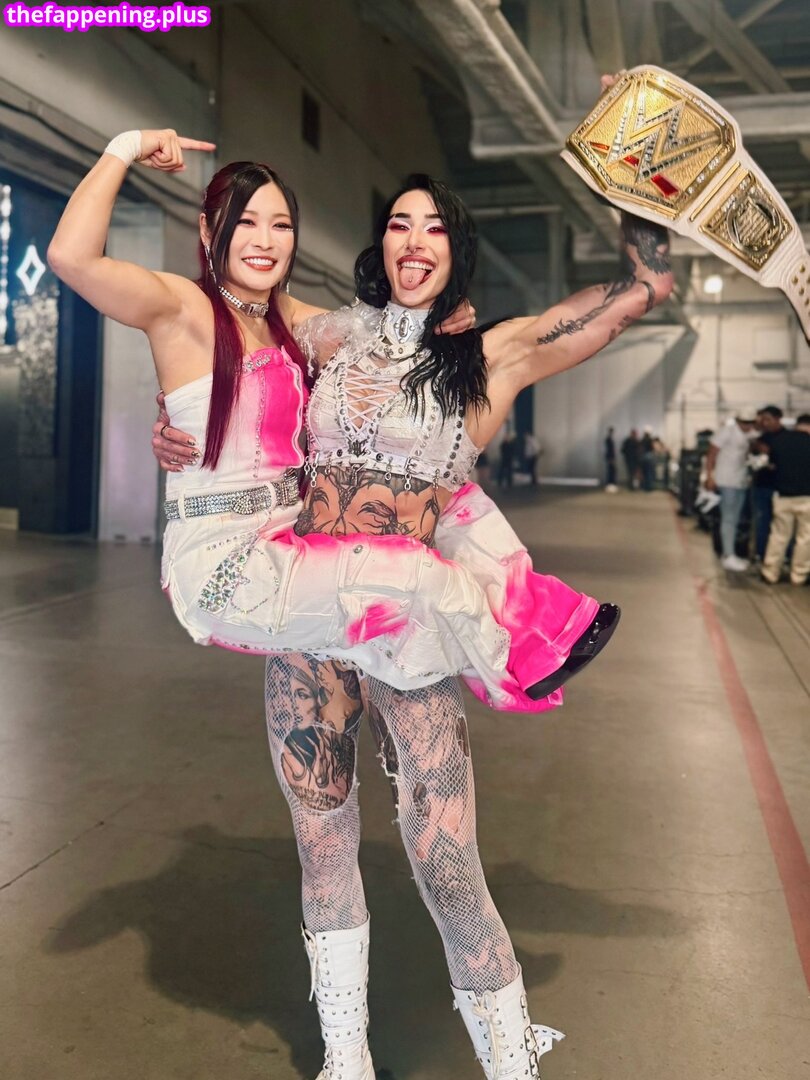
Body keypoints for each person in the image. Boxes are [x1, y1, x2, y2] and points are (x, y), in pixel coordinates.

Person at [54, 128, 672, 1079]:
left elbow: (588, 320)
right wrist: (174, 430)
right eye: (398, 224)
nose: (413, 240)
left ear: (456, 249)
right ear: (382, 244)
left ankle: (511, 1056)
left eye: (434, 227)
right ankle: (347, 1057)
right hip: (308, 618)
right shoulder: (329, 333)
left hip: (404, 634)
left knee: (444, 854)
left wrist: (645, 274)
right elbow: (229, 353)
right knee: (322, 836)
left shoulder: (489, 359)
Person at [704, 410, 756, 572]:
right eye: (744, 423)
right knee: (728, 518)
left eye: (750, 423)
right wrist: (709, 476)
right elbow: (711, 455)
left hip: (740, 480)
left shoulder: (751, 435)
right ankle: (728, 554)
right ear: (738, 420)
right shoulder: (726, 432)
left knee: (735, 519)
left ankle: (730, 552)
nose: (747, 426)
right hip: (726, 480)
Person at [760, 422, 810, 585]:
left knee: (779, 536)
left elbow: (771, 465)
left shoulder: (779, 442)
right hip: (807, 497)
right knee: (805, 538)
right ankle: (798, 575)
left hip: (783, 496)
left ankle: (770, 572)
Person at [751, 405, 784, 561]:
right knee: (762, 521)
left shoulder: (787, 438)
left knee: (782, 525)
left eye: (768, 419)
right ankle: (761, 553)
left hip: (781, 488)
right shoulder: (761, 439)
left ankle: (784, 555)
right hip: (762, 487)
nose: (765, 423)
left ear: (778, 419)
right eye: (762, 419)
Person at [604, 426, 618, 492]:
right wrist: (611, 458)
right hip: (610, 457)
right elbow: (609, 450)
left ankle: (610, 484)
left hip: (610, 457)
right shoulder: (608, 439)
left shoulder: (609, 439)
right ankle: (610, 485)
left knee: (611, 471)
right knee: (611, 471)